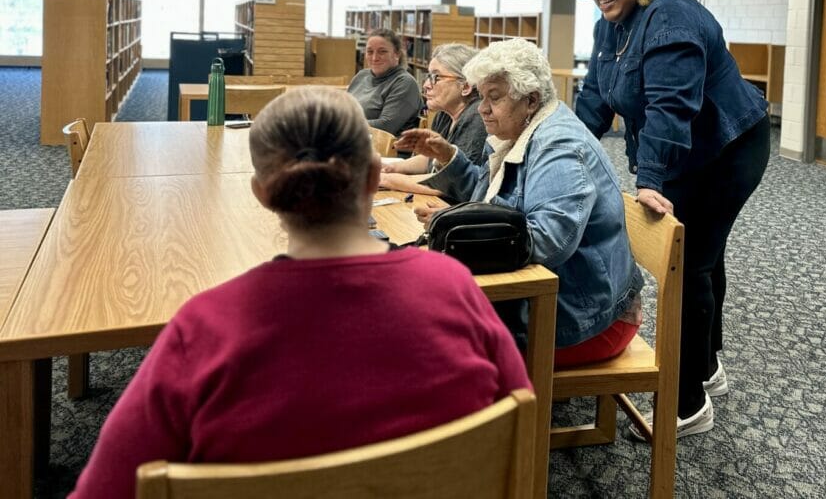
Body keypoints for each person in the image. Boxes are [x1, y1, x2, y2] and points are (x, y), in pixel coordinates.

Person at [72, 87, 530, 498]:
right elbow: (516, 431)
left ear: (262, 194)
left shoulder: (204, 328)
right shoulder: (453, 287)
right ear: (374, 177)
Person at [574, 0, 771, 439]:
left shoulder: (673, 20)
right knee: (704, 255)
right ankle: (707, 367)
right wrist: (564, 144)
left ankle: (687, 403)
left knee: (689, 262)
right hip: (685, 149)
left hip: (730, 148)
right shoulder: (608, 27)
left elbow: (669, 108)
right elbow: (596, 97)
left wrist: (650, 179)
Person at [398, 38, 644, 367]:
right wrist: (449, 161)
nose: (482, 108)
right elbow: (490, 197)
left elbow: (549, 240)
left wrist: (461, 231)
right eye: (482, 97)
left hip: (583, 321)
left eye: (494, 98)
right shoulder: (518, 131)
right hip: (560, 303)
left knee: (423, 331)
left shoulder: (559, 146)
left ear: (530, 99)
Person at [380, 43, 487, 195]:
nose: (426, 85)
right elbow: (431, 159)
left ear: (466, 86)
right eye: (428, 76)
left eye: (436, 77)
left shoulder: (477, 118)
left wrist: (384, 179)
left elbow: (449, 184)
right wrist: (390, 168)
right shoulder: (445, 114)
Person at [347, 28, 425, 135]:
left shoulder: (404, 83)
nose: (374, 58)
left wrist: (342, 124)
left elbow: (385, 126)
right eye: (370, 52)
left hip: (388, 149)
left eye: (382, 52)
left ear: (397, 54)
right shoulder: (361, 76)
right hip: (353, 140)